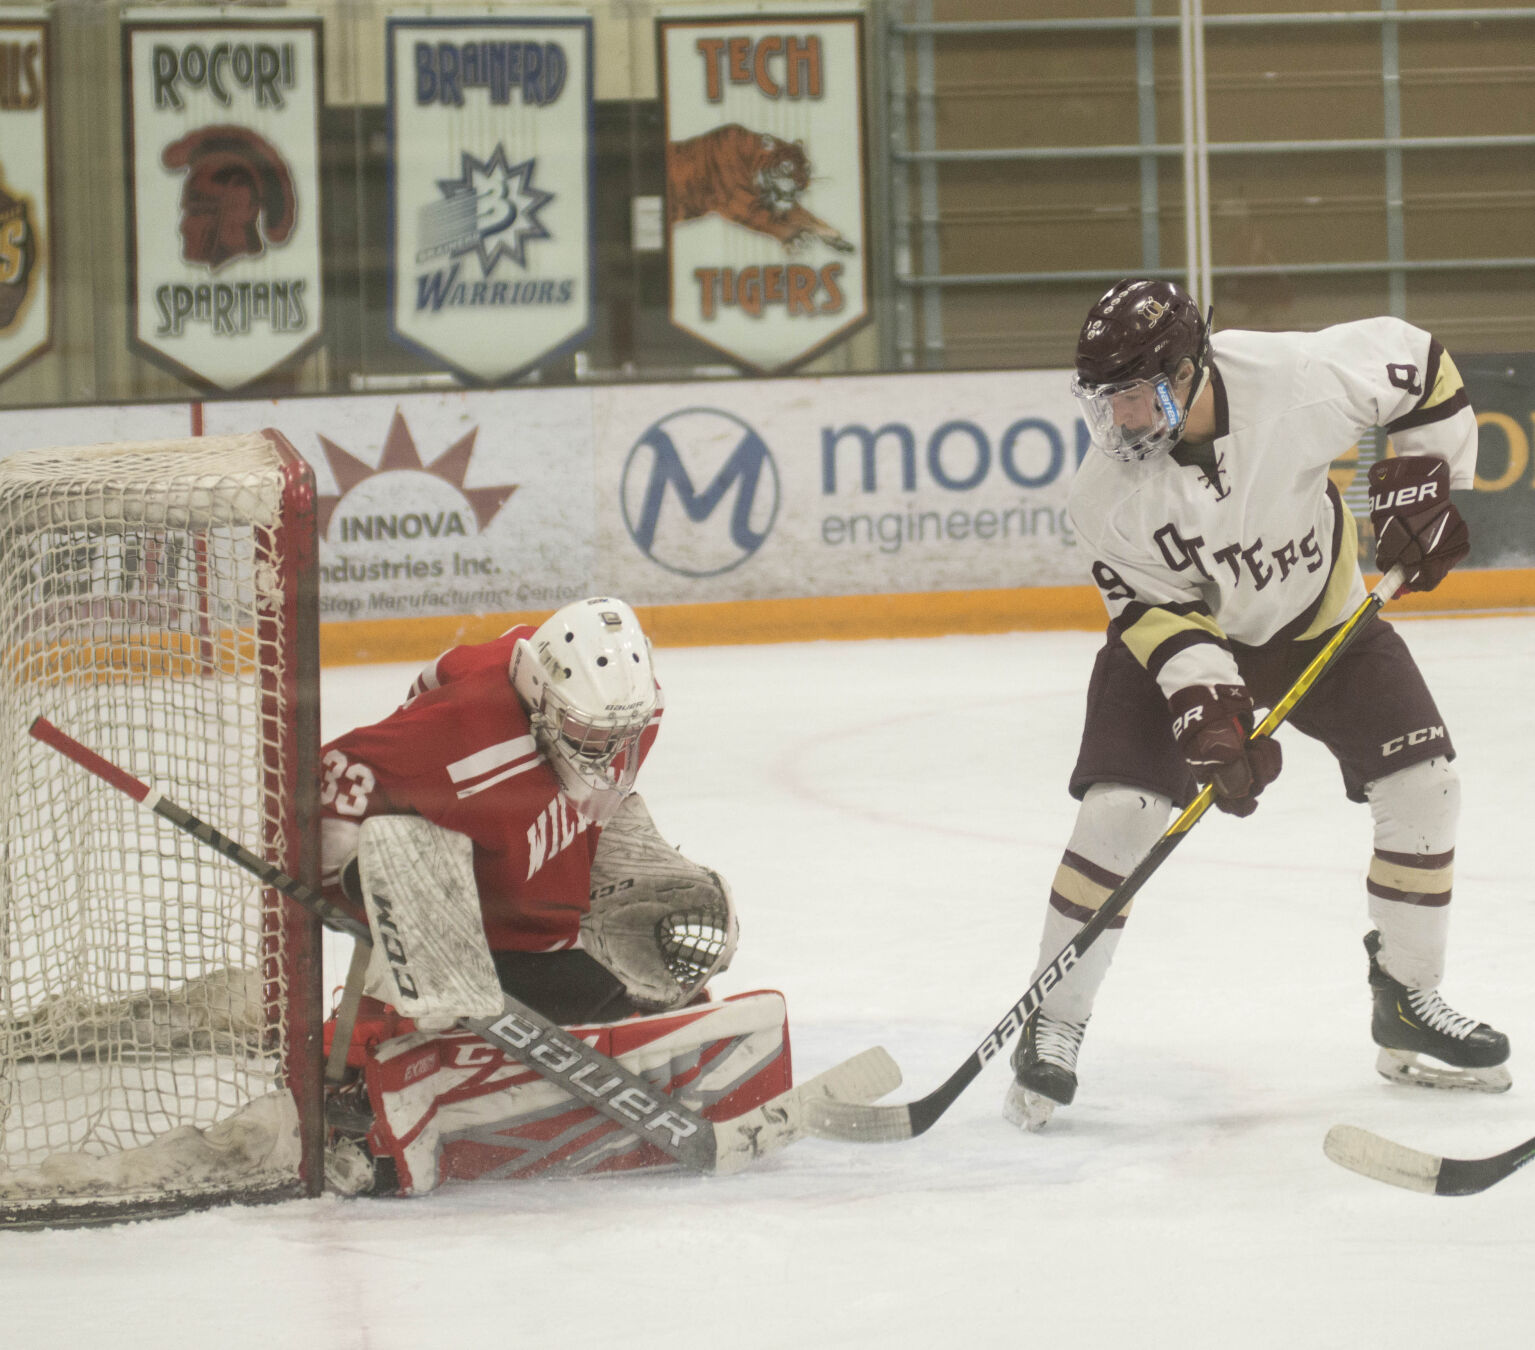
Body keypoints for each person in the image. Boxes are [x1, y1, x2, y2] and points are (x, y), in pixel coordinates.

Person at [1006, 278, 1510, 1132]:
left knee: (1423, 784)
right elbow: (1157, 617)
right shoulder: (1105, 499)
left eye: (1138, 396)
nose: (1122, 422)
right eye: (1107, 402)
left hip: (1321, 620)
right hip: (1184, 639)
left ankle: (1407, 1000)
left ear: (1191, 369)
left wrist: (1421, 478)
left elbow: (1421, 366)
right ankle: (1053, 1022)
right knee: (1120, 811)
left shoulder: (1300, 375)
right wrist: (1208, 716)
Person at [315, 597, 782, 1193]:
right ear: (541, 702)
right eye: (593, 737)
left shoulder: (626, 705)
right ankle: (371, 1043)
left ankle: (580, 995)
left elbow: (584, 740)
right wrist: (358, 884)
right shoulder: (460, 742)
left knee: (651, 952)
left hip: (519, 856)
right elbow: (331, 777)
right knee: (499, 992)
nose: (615, 759)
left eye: (626, 737)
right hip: (461, 886)